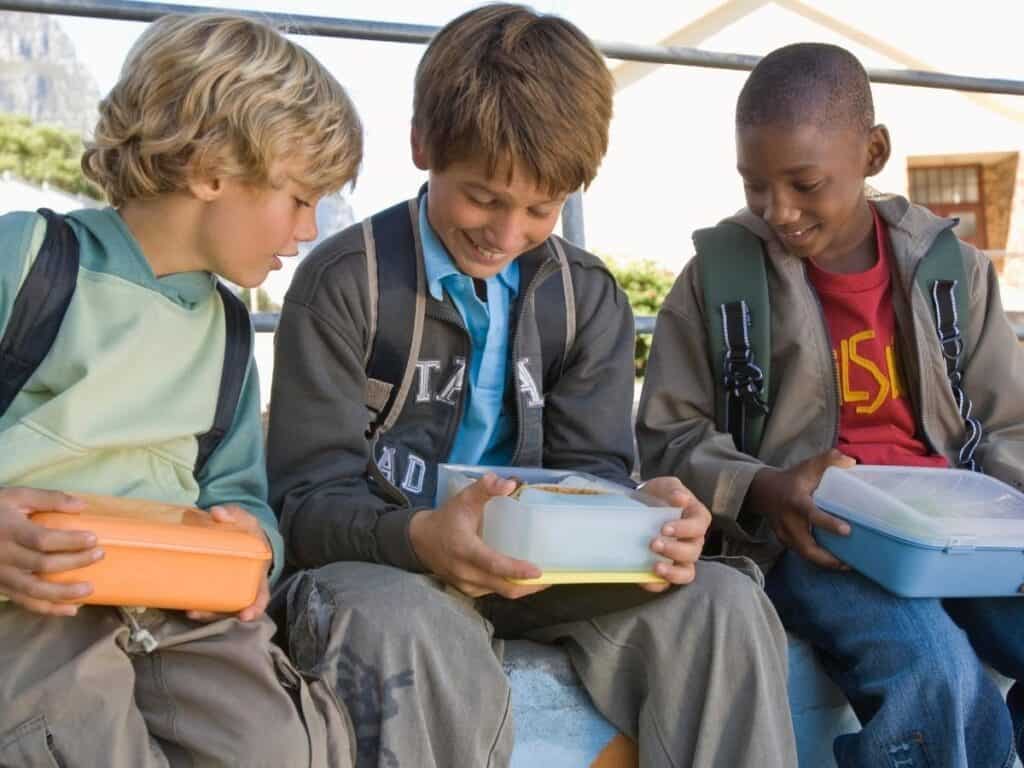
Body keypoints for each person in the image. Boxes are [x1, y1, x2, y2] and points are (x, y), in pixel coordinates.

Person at [267, 5, 796, 767]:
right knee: (412, 628)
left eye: (541, 208)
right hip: (387, 570)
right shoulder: (345, 285)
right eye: (483, 196)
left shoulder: (589, 300)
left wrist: (645, 519)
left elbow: (597, 479)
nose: (507, 233)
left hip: (541, 574)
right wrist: (422, 538)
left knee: (724, 600)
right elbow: (305, 505)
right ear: (422, 145)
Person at [638, 41, 1024, 767]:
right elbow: (666, 438)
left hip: (953, 536)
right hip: (813, 541)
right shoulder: (720, 280)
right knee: (933, 670)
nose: (778, 210)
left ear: (872, 151)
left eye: (805, 184)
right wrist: (765, 487)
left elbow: (1008, 426)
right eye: (755, 185)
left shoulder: (954, 272)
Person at [0, 13, 362, 767]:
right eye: (298, 198)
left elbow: (240, 490)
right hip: (29, 602)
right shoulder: (31, 260)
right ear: (209, 169)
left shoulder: (230, 332)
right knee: (80, 734)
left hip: (169, 612)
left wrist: (251, 547)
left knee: (278, 743)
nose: (308, 228)